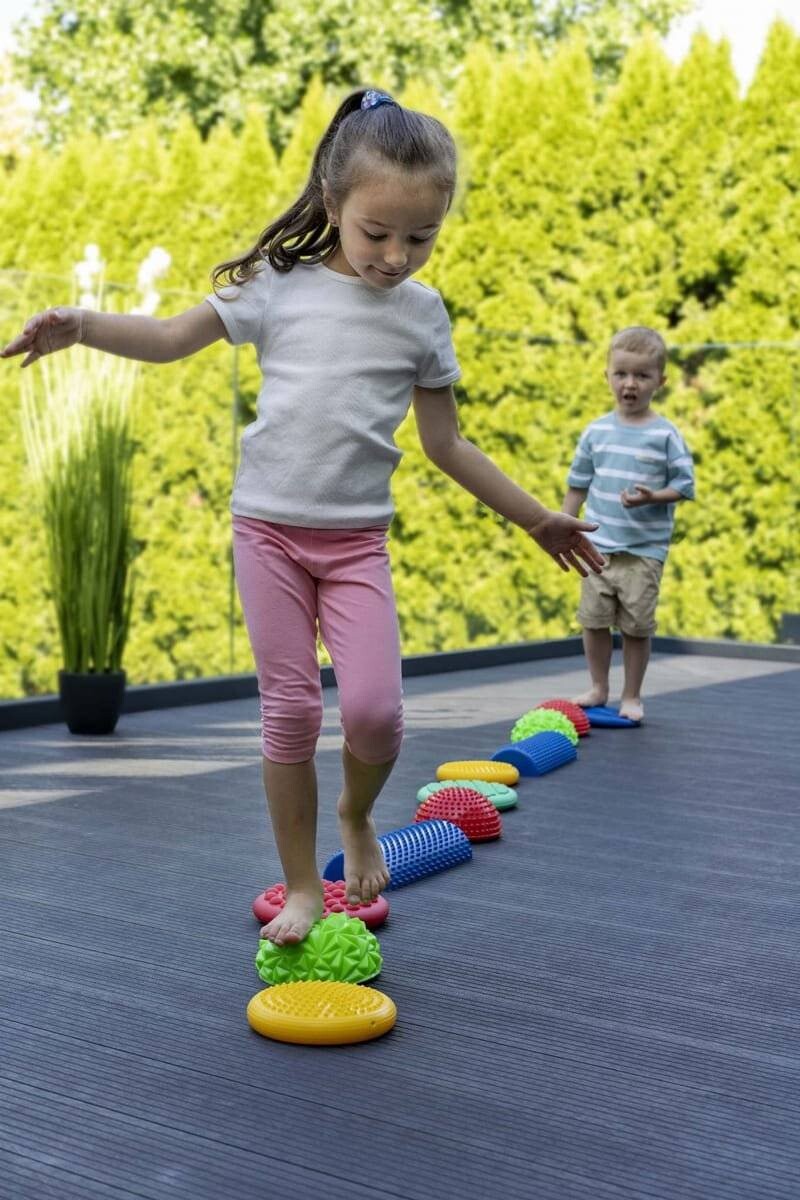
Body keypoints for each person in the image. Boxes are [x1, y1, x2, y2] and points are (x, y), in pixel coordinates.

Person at [3, 88, 603, 945]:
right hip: (268, 535)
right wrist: (82, 326)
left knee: (377, 715)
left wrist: (538, 517)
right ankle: (301, 887)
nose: (396, 256)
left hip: (356, 545)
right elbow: (170, 340)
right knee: (289, 713)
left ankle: (356, 814)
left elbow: (447, 444)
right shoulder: (276, 288)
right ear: (333, 201)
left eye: (421, 237)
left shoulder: (423, 315)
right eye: (377, 232)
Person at [563, 325, 695, 722]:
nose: (630, 383)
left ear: (660, 381)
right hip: (597, 548)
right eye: (621, 373)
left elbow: (684, 486)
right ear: (607, 376)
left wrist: (653, 497)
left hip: (643, 552)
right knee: (593, 621)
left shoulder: (665, 434)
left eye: (642, 375)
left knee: (637, 627)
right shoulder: (596, 432)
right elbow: (578, 484)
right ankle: (598, 687)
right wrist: (565, 526)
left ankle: (632, 695)